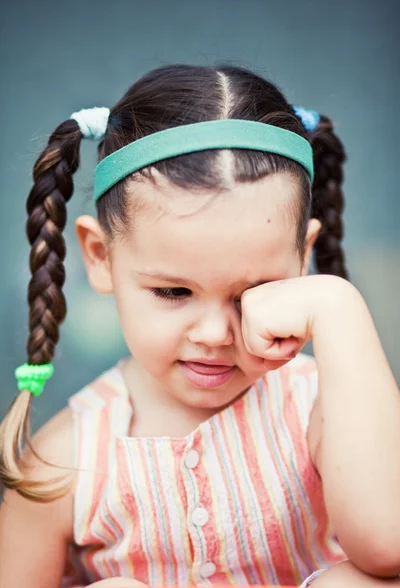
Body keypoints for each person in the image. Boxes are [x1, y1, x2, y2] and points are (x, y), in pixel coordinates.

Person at [0, 64, 399, 588]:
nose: (214, 334)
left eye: (252, 291)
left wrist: (340, 306)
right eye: (173, 291)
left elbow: (388, 546)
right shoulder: (64, 461)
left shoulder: (323, 405)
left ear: (301, 260)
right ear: (100, 256)